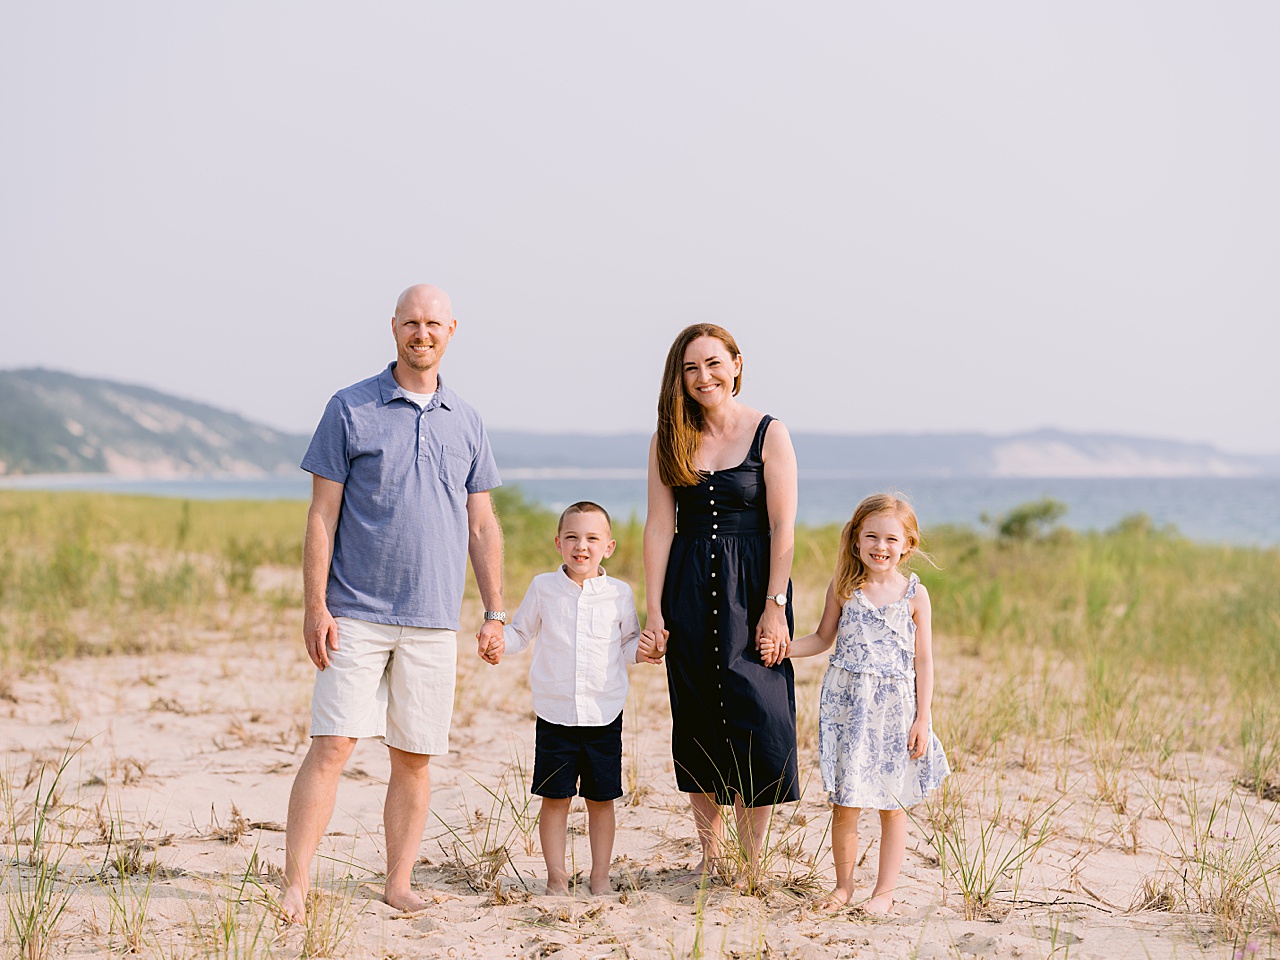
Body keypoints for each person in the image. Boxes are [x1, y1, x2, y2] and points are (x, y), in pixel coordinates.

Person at [279, 284, 507, 923]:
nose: (422, 333)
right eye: (412, 322)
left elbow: (482, 524)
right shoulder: (349, 408)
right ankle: (296, 884)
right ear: (394, 328)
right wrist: (314, 607)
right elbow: (322, 515)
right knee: (332, 747)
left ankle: (398, 882)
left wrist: (493, 611)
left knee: (414, 757)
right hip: (353, 613)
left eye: (434, 323)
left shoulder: (467, 419)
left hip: (434, 620)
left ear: (453, 329)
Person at [640, 323, 799, 887]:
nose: (702, 377)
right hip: (687, 585)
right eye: (690, 368)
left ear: (735, 363)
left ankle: (754, 859)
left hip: (753, 585)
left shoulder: (769, 433)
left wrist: (775, 604)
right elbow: (660, 527)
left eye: (712, 363)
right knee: (699, 712)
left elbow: (783, 526)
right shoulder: (668, 437)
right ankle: (711, 855)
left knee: (760, 711)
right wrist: (655, 610)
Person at [760, 493, 949, 913]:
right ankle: (843, 887)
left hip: (896, 712)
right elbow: (823, 639)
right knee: (846, 801)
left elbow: (924, 660)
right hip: (849, 710)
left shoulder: (915, 595)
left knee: (892, 804)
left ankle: (883, 894)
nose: (881, 547)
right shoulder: (845, 588)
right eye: (872, 537)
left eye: (890, 539)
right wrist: (784, 649)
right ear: (856, 540)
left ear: (908, 545)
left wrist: (924, 718)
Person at [487, 501, 660, 895]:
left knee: (601, 800)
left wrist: (647, 650)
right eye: (572, 537)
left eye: (592, 538)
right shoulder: (543, 588)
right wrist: (500, 642)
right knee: (555, 798)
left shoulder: (619, 593)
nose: (581, 546)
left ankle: (600, 878)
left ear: (609, 547)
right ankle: (556, 879)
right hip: (555, 713)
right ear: (558, 543)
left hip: (604, 714)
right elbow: (520, 633)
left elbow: (629, 643)